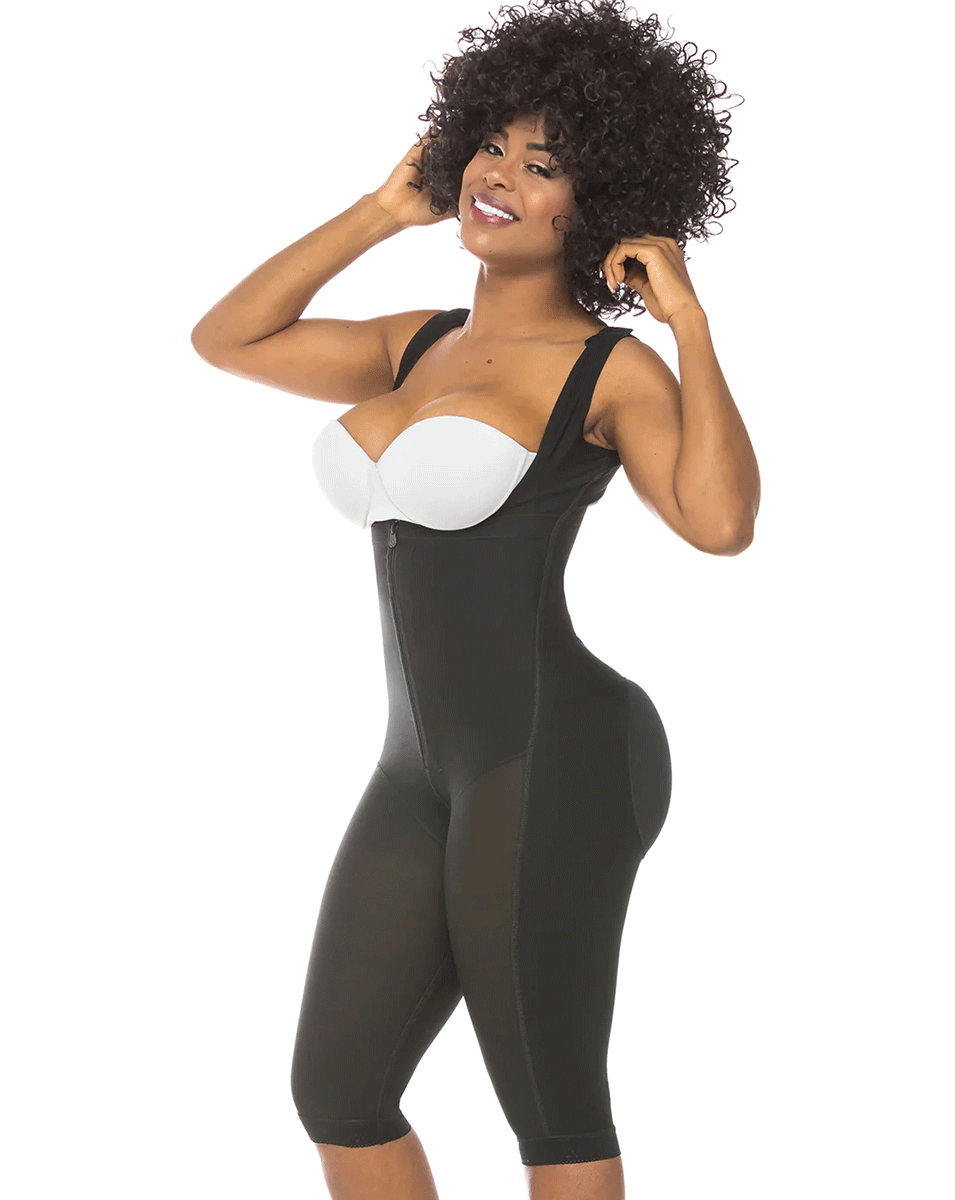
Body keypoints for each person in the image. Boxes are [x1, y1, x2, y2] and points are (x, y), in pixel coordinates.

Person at [190, 2, 759, 1196]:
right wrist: (378, 211)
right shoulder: (415, 344)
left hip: (554, 754)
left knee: (550, 1110)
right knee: (337, 1091)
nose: (497, 176)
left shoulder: (610, 369)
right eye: (488, 145)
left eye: (540, 165)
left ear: (595, 206)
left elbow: (717, 523)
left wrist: (688, 323)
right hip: (419, 766)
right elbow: (226, 338)